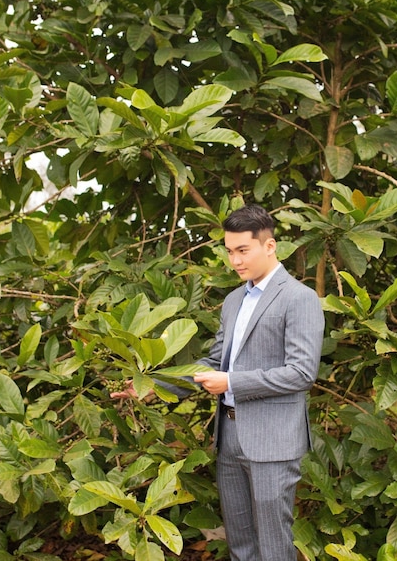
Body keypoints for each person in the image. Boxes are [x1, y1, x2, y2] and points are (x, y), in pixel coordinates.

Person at [116, 204, 325, 561]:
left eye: (243, 250)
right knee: (241, 544)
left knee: (275, 546)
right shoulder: (232, 301)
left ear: (270, 246)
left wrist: (232, 381)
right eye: (229, 251)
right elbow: (214, 363)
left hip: (273, 441)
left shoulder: (299, 298)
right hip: (228, 438)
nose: (235, 261)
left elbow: (302, 373)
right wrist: (154, 386)